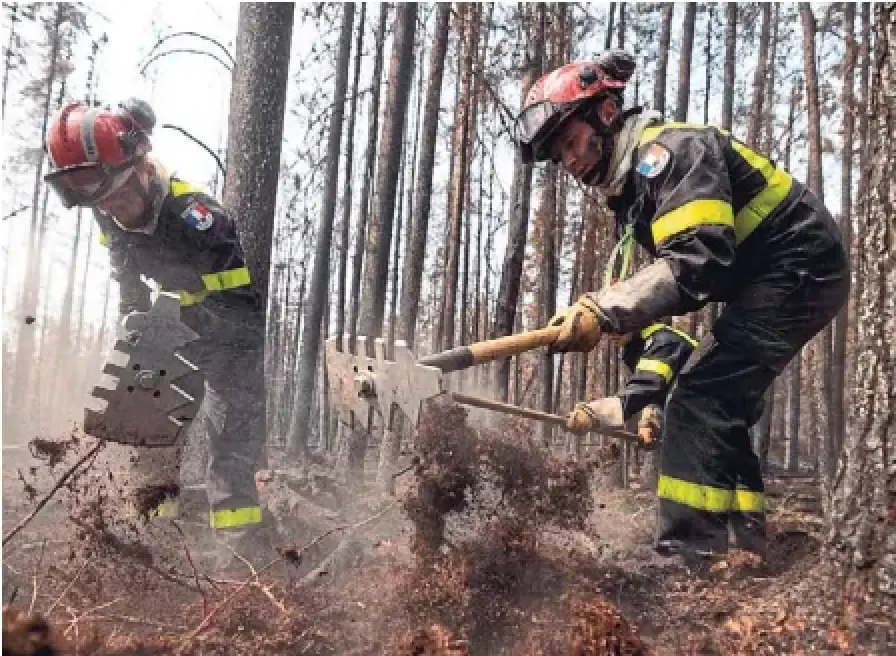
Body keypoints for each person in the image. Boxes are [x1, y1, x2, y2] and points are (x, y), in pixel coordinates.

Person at [515, 50, 849, 559]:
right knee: (721, 399)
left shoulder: (672, 153)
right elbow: (670, 306)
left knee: (701, 398)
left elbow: (700, 259)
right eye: (558, 156)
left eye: (569, 142)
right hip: (779, 274)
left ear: (606, 113)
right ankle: (745, 541)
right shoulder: (636, 193)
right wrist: (636, 393)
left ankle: (689, 560)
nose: (569, 161)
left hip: (799, 266)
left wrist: (604, 309)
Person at [44, 99, 273, 566]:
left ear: (143, 169)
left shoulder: (198, 219)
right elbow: (123, 264)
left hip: (230, 337)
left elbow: (239, 306)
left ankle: (242, 552)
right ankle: (155, 541)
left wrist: (184, 321)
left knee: (230, 444)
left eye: (120, 198)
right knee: (149, 429)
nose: (113, 211)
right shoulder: (104, 209)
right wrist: (135, 315)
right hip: (175, 324)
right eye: (101, 203)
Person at [565, 322, 697, 449]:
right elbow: (657, 394)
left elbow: (645, 387)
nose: (611, 333)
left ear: (636, 319)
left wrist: (593, 413)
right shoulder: (638, 348)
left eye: (618, 325)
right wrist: (652, 421)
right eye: (608, 327)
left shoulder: (664, 342)